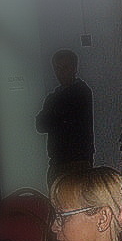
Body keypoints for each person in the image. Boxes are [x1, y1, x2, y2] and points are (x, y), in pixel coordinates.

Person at [36, 49, 95, 184]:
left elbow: (60, 121)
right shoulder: (55, 96)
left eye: (65, 67)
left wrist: (53, 113)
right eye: (57, 68)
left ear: (74, 68)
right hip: (57, 161)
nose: (61, 72)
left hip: (78, 162)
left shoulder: (81, 92)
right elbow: (40, 125)